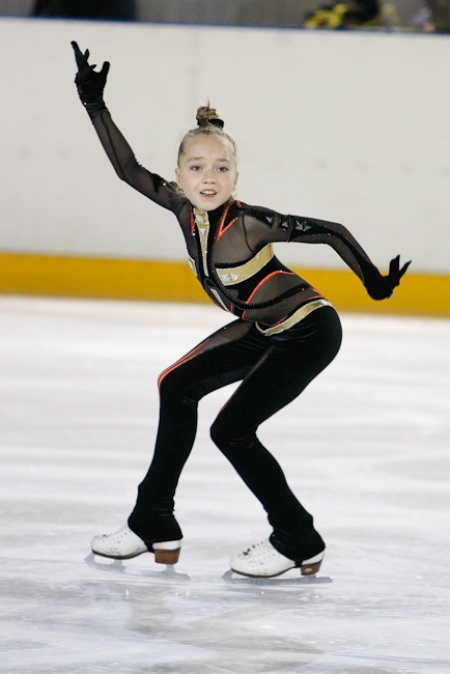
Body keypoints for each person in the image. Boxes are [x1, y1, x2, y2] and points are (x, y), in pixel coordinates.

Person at [71, 42, 410, 578]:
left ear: (236, 177)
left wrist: (371, 280)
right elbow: (127, 168)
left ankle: (298, 538)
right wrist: (95, 104)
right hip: (264, 327)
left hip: (309, 331)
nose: (208, 177)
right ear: (180, 176)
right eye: (197, 168)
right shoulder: (181, 209)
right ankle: (153, 520)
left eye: (221, 168)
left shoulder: (251, 223)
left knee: (231, 431)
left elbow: (331, 231)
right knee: (176, 385)